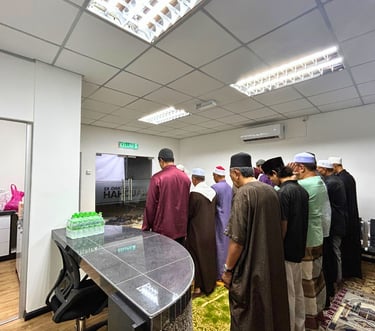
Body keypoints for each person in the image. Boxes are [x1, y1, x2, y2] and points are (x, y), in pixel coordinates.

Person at [222, 152, 290, 331]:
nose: (232, 180)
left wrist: (228, 270)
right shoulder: (271, 190)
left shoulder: (243, 194)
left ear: (236, 173)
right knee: (271, 305)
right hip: (272, 260)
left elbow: (237, 241)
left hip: (251, 267)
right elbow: (283, 224)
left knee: (248, 310)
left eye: (232, 176)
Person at [262, 156, 309, 331]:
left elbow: (283, 224)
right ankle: (299, 325)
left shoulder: (282, 193)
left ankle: (287, 326)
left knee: (287, 293)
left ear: (274, 173)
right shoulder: (301, 190)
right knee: (298, 291)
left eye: (270, 177)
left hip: (286, 250)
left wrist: (277, 247)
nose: (270, 181)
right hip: (299, 247)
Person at [291, 152, 331, 330]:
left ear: (301, 167)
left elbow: (283, 191)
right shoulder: (319, 180)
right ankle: (319, 310)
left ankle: (311, 317)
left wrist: (287, 178)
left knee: (306, 279)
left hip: (306, 238)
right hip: (317, 235)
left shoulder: (304, 184)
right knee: (316, 276)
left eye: (296, 167)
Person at [142, 148, 191, 245]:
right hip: (181, 230)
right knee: (179, 258)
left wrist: (146, 228)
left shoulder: (157, 178)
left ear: (161, 160)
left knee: (162, 259)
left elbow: (150, 206)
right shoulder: (186, 178)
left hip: (163, 231)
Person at [317, 160, 347, 306]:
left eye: (319, 169)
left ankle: (337, 279)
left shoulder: (330, 183)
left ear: (324, 169)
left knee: (335, 253)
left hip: (335, 224)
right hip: (337, 221)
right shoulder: (335, 180)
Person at [328, 156, 362, 279]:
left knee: (339, 250)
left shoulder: (339, 180)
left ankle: (341, 275)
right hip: (349, 216)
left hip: (342, 218)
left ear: (334, 166)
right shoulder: (348, 177)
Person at [186, 168, 217, 297]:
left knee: (196, 258)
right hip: (210, 230)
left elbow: (189, 213)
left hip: (196, 231)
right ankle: (210, 284)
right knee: (208, 256)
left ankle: (198, 289)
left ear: (194, 179)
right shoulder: (213, 192)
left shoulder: (195, 194)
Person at [211, 165, 233, 279]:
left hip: (218, 222)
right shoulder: (230, 187)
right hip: (228, 221)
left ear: (215, 175)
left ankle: (219, 274)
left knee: (219, 246)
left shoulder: (214, 187)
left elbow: (211, 206)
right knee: (226, 246)